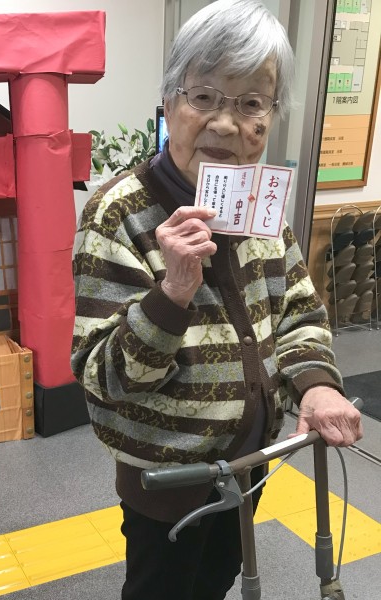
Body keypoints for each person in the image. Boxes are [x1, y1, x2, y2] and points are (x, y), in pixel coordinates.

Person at [70, 1, 363, 598]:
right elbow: (105, 376)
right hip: (167, 477)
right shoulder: (119, 213)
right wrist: (173, 292)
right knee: (162, 589)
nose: (226, 125)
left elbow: (298, 313)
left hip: (251, 461)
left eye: (252, 103)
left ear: (271, 115)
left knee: (219, 577)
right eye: (203, 97)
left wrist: (316, 385)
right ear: (169, 102)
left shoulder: (259, 204)